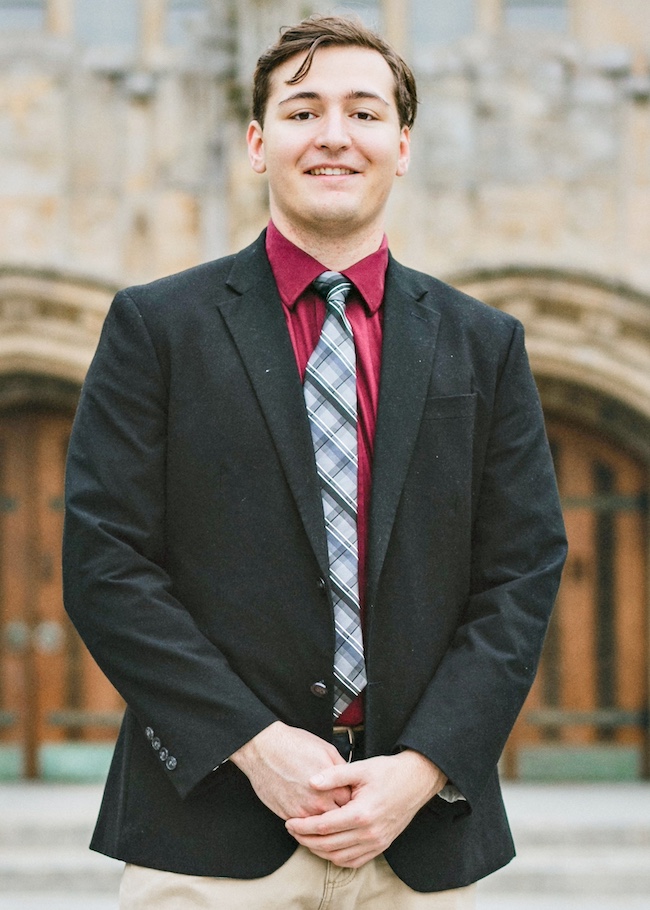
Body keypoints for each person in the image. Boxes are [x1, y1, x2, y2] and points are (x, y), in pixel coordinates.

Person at [63, 14, 567, 910]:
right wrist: (256, 746)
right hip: (209, 835)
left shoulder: (485, 344)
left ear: (401, 146)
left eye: (365, 113)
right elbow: (107, 565)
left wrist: (422, 767)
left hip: (423, 839)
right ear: (259, 143)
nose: (334, 134)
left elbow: (522, 573)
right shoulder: (156, 329)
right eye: (303, 112)